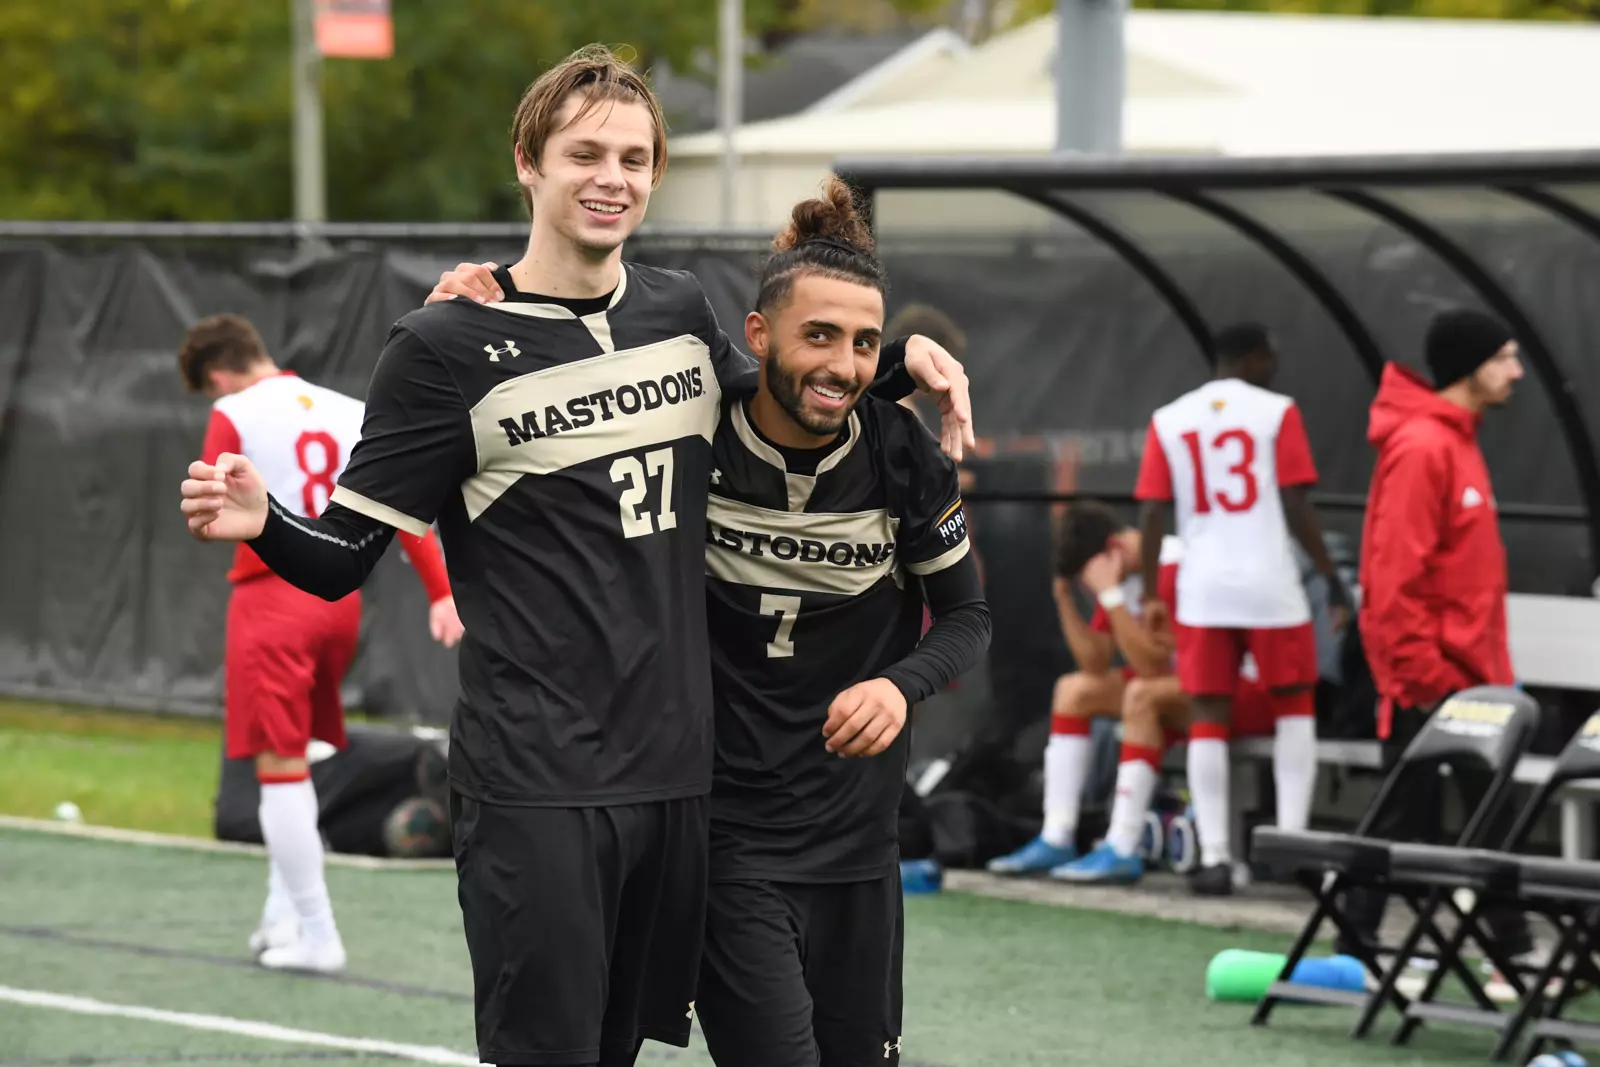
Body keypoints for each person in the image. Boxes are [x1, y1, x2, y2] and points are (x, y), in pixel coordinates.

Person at [178, 45, 972, 1067]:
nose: (612, 177)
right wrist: (264, 519)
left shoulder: (681, 312)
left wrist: (905, 361)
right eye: (584, 153)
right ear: (528, 163)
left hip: (679, 780)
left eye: (635, 158)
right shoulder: (441, 347)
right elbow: (342, 555)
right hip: (536, 780)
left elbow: (786, 402)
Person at [689, 181, 989, 1067]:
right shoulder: (694, 432)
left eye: (865, 344)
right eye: (818, 335)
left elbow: (966, 615)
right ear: (757, 336)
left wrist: (901, 686)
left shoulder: (902, 454)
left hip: (860, 840)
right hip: (728, 837)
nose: (845, 364)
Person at [177, 313, 463, 973]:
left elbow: (210, 508)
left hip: (271, 595)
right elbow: (400, 508)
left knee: (279, 767)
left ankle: (317, 930)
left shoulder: (234, 409)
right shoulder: (347, 408)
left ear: (217, 374)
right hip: (337, 599)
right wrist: (441, 590)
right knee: (299, 756)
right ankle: (282, 915)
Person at [1340, 306, 1530, 961]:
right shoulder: (1424, 447)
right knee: (1409, 817)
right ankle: (1356, 946)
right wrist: (1423, 681)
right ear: (1470, 365)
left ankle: (1511, 947)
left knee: (1478, 817)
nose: (1517, 371)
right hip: (1435, 683)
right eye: (1505, 357)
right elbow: (1393, 576)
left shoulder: (1457, 439)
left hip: (1471, 678)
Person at [1134, 323, 1347, 895]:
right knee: (1295, 707)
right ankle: (1295, 846)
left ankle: (1215, 855)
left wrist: (1153, 593)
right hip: (1270, 582)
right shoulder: (1278, 412)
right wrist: (1330, 577)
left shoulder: (1170, 418)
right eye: (1270, 357)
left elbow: (1154, 513)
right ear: (1251, 357)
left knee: (1208, 715)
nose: (1274, 367)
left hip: (1203, 589)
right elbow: (1296, 500)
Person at [985, 500, 1283, 885]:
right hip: (1185, 694)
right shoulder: (1120, 572)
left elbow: (1152, 666)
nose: (1092, 587)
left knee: (1141, 693)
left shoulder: (1176, 564)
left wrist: (1110, 596)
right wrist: (1063, 597)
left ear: (1115, 549)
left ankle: (1122, 846)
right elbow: (1095, 663)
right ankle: (1056, 836)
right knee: (1073, 690)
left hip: (1241, 694)